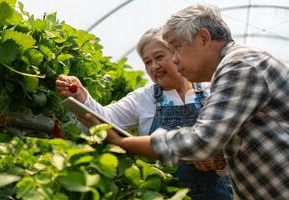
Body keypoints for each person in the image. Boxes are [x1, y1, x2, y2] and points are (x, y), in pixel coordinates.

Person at [78, 4, 289, 200]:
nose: (175, 59)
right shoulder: (236, 66)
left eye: (176, 49)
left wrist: (123, 143)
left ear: (203, 39)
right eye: (147, 62)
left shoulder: (239, 67)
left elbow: (201, 141)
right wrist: (82, 99)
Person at [56, 27, 234, 200]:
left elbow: (236, 135)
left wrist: (220, 158)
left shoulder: (211, 90)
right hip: (162, 194)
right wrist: (81, 95)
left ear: (176, 54)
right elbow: (105, 119)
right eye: (147, 62)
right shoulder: (143, 98)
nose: (154, 66)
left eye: (159, 57)